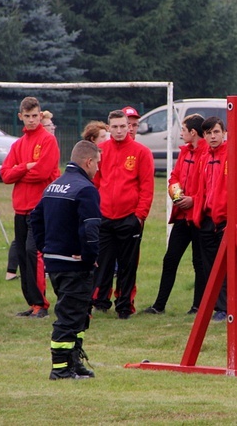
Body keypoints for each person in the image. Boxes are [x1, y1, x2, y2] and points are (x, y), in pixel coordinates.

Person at [31, 140, 102, 380]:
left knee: (79, 313)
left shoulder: (54, 186)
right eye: (97, 165)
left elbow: (35, 217)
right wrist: (90, 256)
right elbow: (91, 229)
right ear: (89, 162)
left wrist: (44, 247)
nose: (98, 170)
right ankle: (61, 368)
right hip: (75, 264)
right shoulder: (86, 189)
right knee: (70, 316)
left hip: (54, 261)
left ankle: (74, 362)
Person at [91, 109, 155, 319]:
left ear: (129, 127)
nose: (119, 131)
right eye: (115, 127)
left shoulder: (141, 152)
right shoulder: (100, 150)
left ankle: (125, 306)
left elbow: (147, 186)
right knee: (103, 263)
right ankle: (100, 301)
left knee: (128, 266)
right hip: (105, 216)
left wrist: (139, 216)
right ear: (108, 128)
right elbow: (95, 182)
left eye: (122, 126)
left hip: (129, 218)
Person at [0, 96, 60, 318]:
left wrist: (19, 171)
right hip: (20, 208)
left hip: (40, 208)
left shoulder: (48, 141)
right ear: (21, 117)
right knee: (23, 257)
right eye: (28, 116)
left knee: (32, 252)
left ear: (40, 114)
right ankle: (33, 303)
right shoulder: (18, 145)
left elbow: (43, 172)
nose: (32, 120)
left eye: (36, 116)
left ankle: (42, 304)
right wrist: (25, 166)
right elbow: (5, 174)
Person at [143, 114, 207, 316]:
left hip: (199, 217)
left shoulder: (208, 154)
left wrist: (194, 200)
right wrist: (177, 194)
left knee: (199, 262)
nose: (181, 134)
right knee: (170, 259)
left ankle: (198, 306)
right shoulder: (185, 152)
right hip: (182, 216)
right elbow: (175, 177)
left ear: (193, 132)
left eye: (183, 130)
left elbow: (211, 185)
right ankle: (159, 306)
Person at [192, 116, 229, 321]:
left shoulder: (231, 154)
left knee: (225, 266)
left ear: (224, 132)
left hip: (224, 219)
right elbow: (201, 187)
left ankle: (225, 307)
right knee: (209, 266)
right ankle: (214, 306)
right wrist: (198, 213)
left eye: (216, 132)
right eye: (208, 133)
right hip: (207, 218)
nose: (212, 136)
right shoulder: (204, 156)